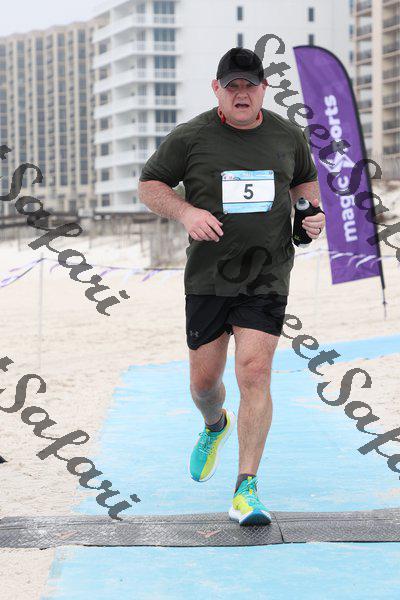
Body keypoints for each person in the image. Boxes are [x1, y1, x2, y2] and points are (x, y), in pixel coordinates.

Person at [138, 47, 326, 526]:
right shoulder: (191, 137)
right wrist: (186, 212)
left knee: (255, 372)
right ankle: (213, 423)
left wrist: (310, 214)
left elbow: (304, 181)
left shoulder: (287, 135)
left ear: (264, 88)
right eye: (232, 86)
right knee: (204, 384)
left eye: (250, 86)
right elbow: (150, 185)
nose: (242, 94)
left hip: (267, 274)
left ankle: (246, 488)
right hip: (208, 277)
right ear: (217, 89)